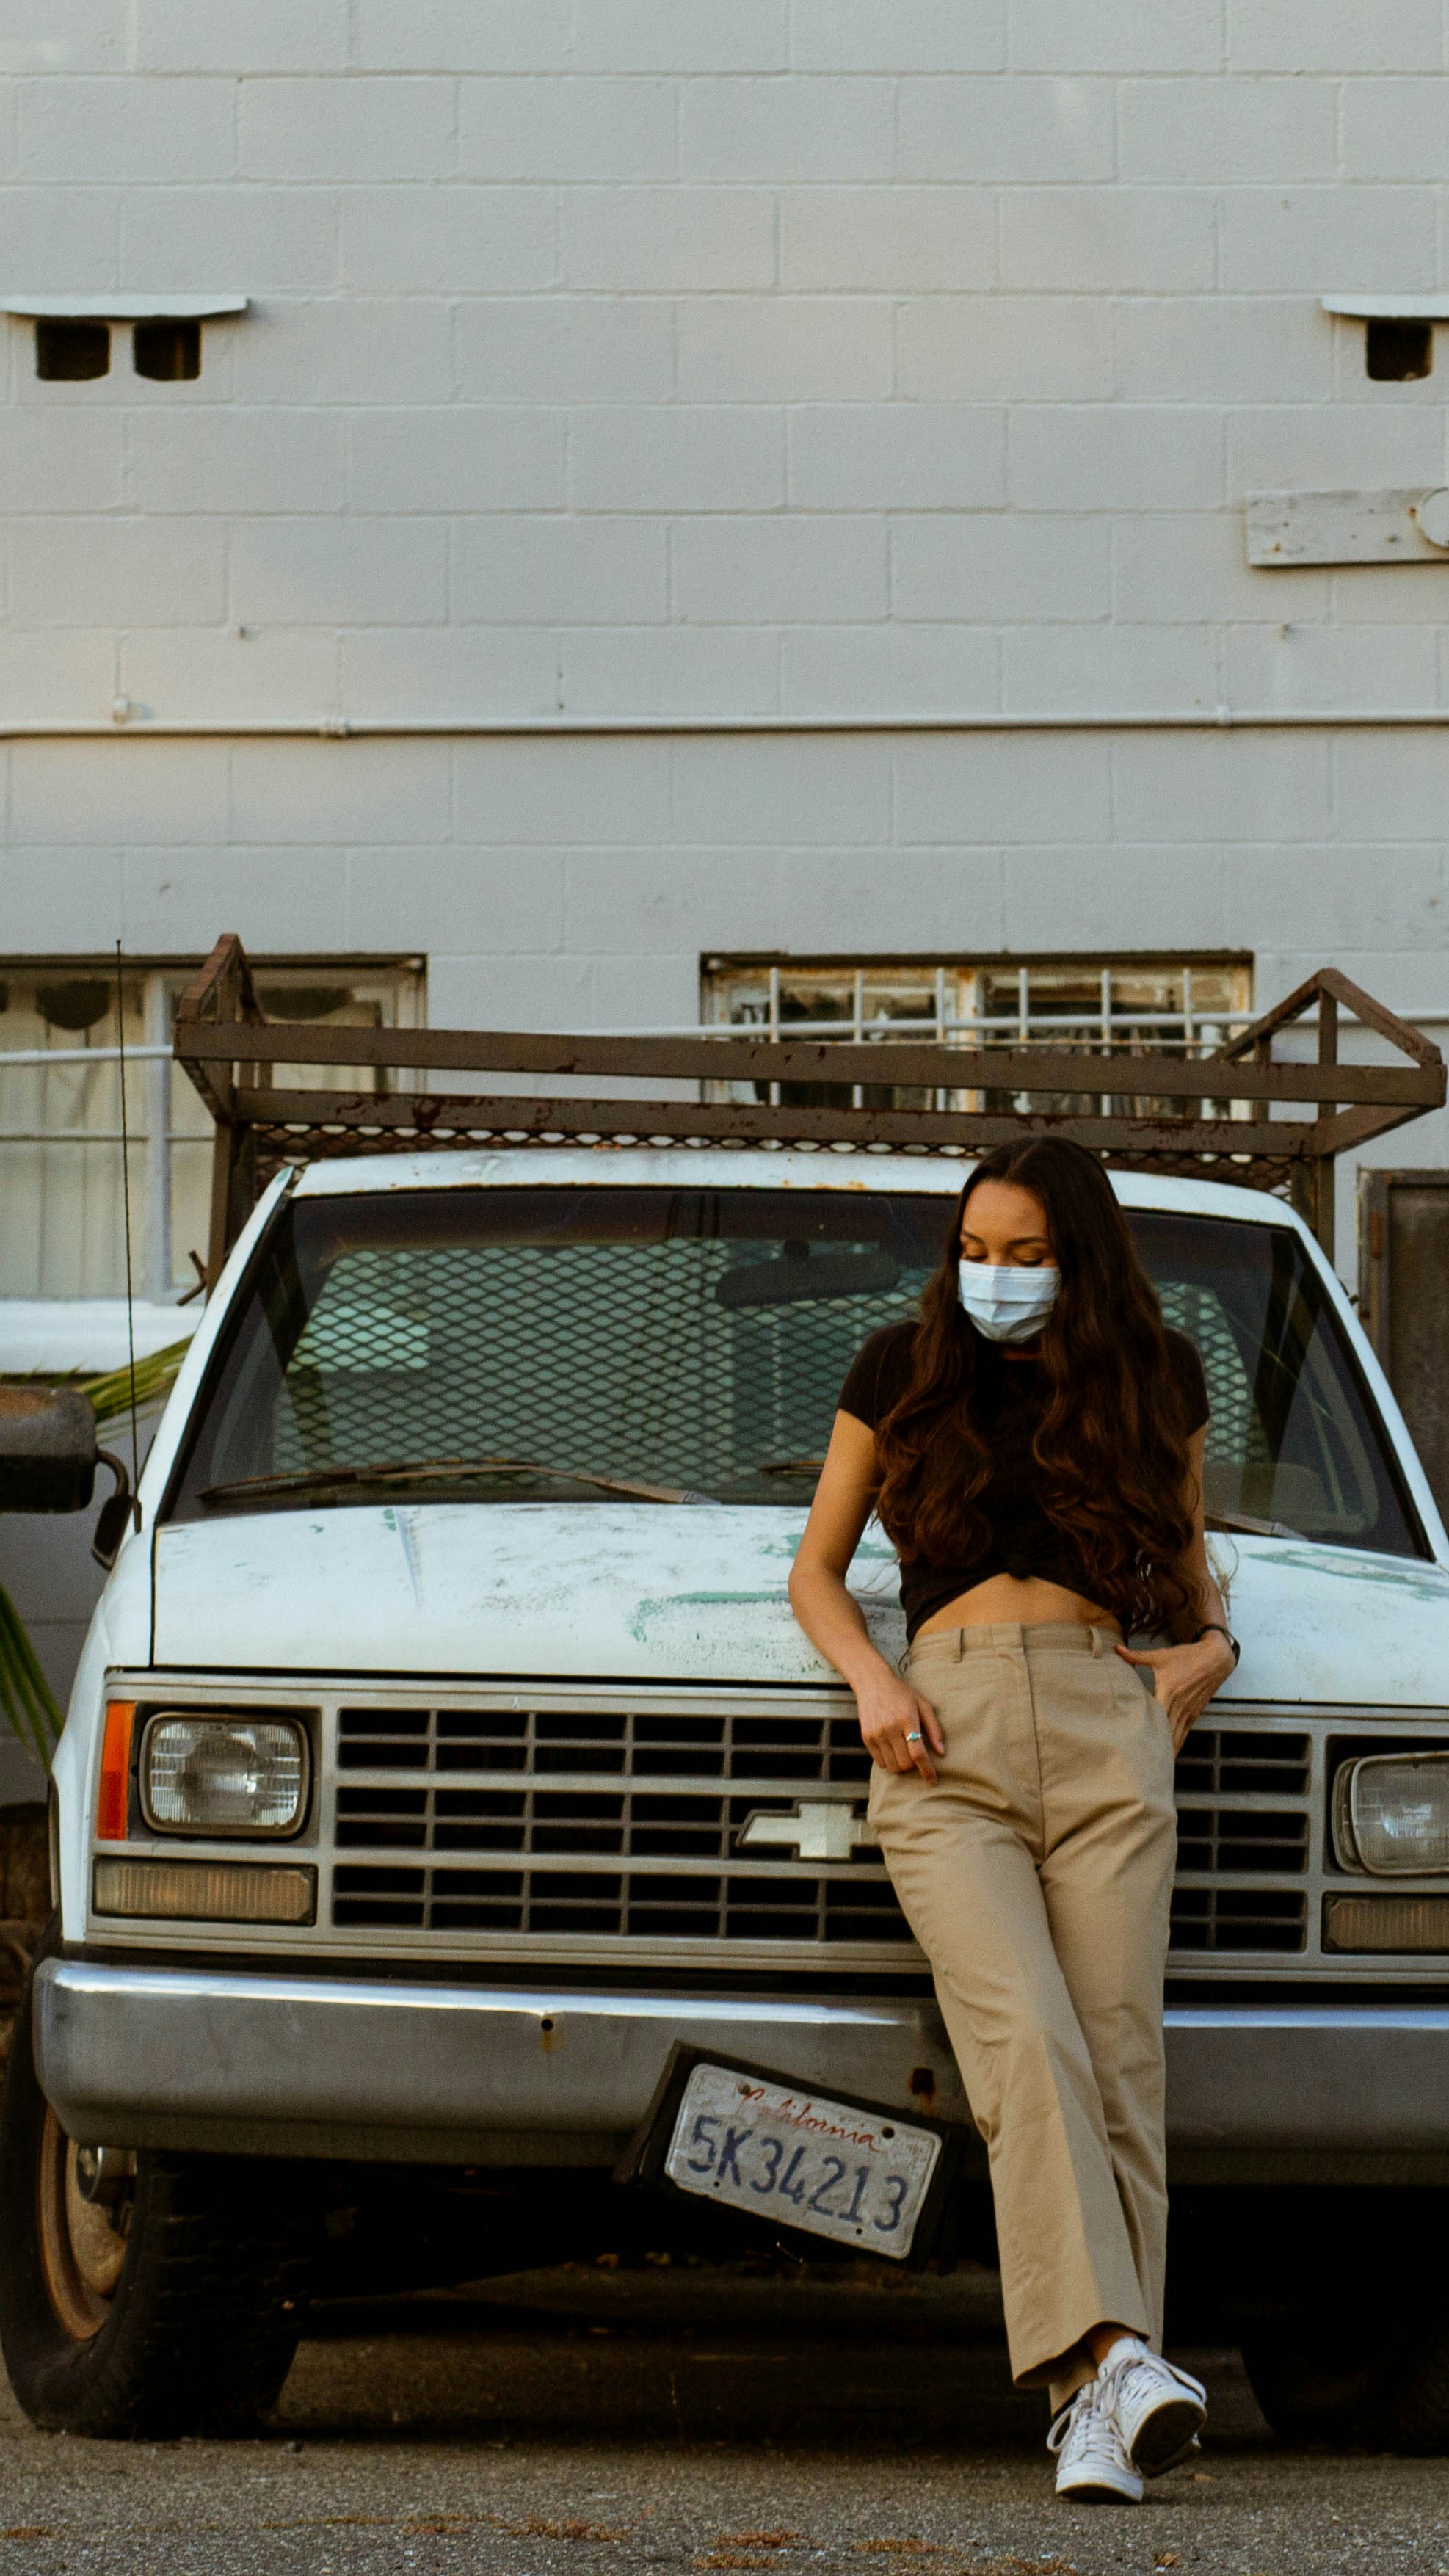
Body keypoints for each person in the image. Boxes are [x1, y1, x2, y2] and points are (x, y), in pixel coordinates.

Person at [788, 1137, 1238, 2506]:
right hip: (945, 1733)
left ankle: (1096, 2415)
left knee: (1116, 2062)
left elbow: (1187, 1552)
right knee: (1026, 2038)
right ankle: (1117, 2350)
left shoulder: (1154, 1373)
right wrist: (872, 1673)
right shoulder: (897, 1368)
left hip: (1112, 1717)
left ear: (1081, 1256)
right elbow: (814, 1570)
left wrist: (1210, 1643)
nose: (993, 1277)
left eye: (1027, 1254)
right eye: (973, 1251)